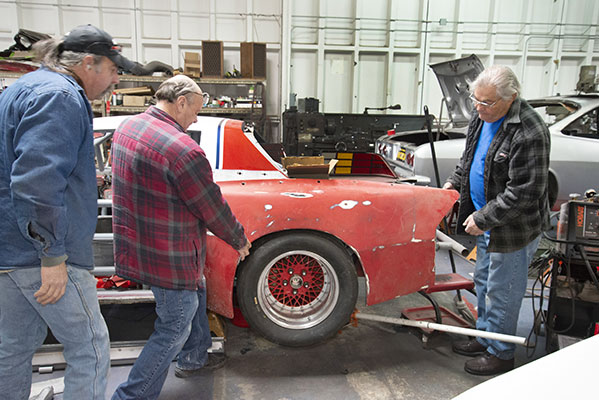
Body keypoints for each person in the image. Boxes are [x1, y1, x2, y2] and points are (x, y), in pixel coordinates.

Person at [0, 25, 135, 399]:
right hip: (41, 255)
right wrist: (52, 255)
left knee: (13, 348)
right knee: (90, 348)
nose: (115, 79)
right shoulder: (60, 97)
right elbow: (36, 181)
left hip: (10, 250)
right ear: (89, 63)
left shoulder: (24, 88)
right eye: (113, 69)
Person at [111, 74, 251, 400]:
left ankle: (195, 355)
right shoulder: (183, 150)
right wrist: (238, 239)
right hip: (169, 254)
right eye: (196, 111)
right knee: (175, 326)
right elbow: (210, 206)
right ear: (181, 101)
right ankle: (131, 395)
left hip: (139, 243)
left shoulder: (129, 128)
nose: (196, 119)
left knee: (196, 290)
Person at [444, 65, 550, 376]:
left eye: (486, 102)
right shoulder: (482, 116)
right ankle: (485, 337)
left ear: (511, 97)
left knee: (503, 291)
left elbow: (525, 192)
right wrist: (452, 185)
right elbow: (469, 160)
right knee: (484, 282)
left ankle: (501, 353)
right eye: (475, 100)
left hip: (512, 229)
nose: (478, 108)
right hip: (487, 223)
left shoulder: (530, 130)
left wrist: (484, 217)